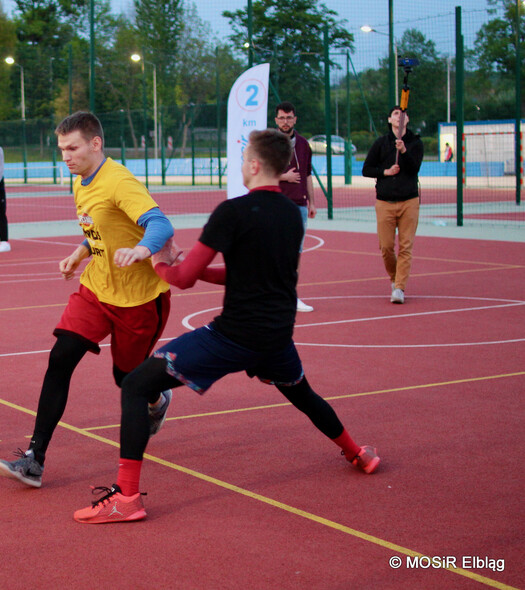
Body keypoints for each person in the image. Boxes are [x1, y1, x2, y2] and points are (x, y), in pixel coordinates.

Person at [72, 129, 380, 524]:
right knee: (303, 394)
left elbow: (180, 278)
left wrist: (160, 263)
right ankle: (358, 452)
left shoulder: (232, 212)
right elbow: (247, 273)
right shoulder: (291, 214)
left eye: (242, 159)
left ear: (253, 165)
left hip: (233, 336)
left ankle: (127, 498)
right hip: (276, 335)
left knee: (135, 384)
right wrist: (190, 272)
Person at [0, 111, 175, 489]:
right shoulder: (79, 182)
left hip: (138, 300)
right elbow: (98, 230)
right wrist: (79, 253)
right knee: (60, 357)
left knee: (125, 378)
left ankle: (158, 399)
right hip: (96, 289)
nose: (66, 157)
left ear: (95, 144)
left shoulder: (119, 181)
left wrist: (143, 249)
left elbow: (160, 224)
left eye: (72, 148)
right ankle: (33, 458)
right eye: (61, 150)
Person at [362, 106, 424, 305]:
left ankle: (399, 287)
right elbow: (366, 169)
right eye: (396, 114)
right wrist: (385, 172)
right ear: (390, 119)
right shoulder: (381, 143)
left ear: (407, 120)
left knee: (406, 247)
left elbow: (414, 168)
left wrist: (404, 151)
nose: (399, 117)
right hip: (385, 202)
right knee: (386, 247)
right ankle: (394, 277)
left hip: (409, 201)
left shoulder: (415, 143)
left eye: (403, 114)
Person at [274, 101, 316, 313]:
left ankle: (291, 296)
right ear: (275, 120)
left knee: (295, 252)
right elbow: (259, 173)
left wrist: (312, 202)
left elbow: (307, 174)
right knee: (274, 251)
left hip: (299, 205)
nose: (285, 121)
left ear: (295, 119)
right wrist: (284, 176)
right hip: (275, 204)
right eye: (281, 118)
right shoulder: (269, 143)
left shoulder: (303, 144)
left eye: (289, 117)